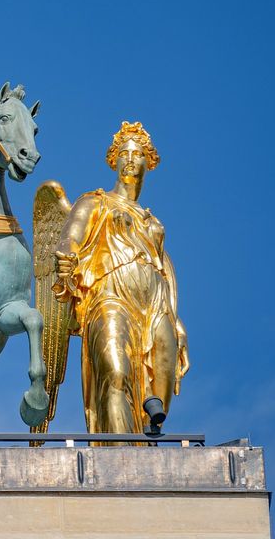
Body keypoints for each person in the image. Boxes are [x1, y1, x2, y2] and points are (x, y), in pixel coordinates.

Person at [53, 122, 189, 433]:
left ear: (149, 162)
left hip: (155, 306)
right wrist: (65, 257)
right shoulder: (95, 202)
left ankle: (144, 447)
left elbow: (163, 269)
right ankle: (118, 453)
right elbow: (70, 237)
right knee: (114, 372)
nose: (130, 158)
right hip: (110, 296)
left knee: (158, 393)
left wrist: (176, 321)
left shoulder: (153, 221)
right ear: (114, 160)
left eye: (138, 153)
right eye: (123, 153)